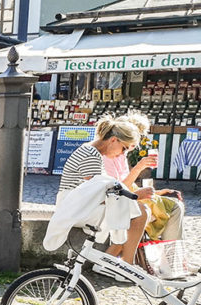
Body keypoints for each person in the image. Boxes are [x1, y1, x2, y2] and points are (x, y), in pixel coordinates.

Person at [57, 115, 159, 281]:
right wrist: (134, 196)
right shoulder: (91, 154)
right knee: (139, 211)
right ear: (113, 140)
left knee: (139, 210)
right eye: (124, 148)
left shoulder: (91, 151)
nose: (123, 153)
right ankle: (126, 265)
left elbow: (102, 191)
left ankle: (124, 264)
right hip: (74, 207)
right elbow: (97, 195)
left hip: (78, 204)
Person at [102, 111, 183, 247]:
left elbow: (127, 186)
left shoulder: (120, 154)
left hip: (127, 196)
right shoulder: (109, 156)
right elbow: (119, 188)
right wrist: (139, 167)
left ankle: (172, 255)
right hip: (120, 200)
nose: (134, 146)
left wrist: (159, 192)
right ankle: (171, 255)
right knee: (174, 208)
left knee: (174, 204)